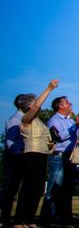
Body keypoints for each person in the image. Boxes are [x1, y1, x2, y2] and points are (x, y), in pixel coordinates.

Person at [12, 81, 58, 228]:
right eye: (35, 102)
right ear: (30, 106)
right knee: (28, 187)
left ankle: (30, 218)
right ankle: (19, 220)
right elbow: (38, 105)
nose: (38, 104)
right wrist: (49, 88)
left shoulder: (39, 121)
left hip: (42, 154)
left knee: (38, 188)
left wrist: (50, 145)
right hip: (31, 154)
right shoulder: (26, 119)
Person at [41, 95, 79, 227]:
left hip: (70, 157)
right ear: (60, 106)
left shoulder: (70, 120)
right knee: (55, 187)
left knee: (67, 189)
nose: (70, 104)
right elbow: (58, 136)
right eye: (67, 103)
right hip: (59, 156)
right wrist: (75, 126)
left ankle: (65, 216)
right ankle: (48, 217)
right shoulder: (54, 120)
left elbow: (77, 137)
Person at [1, 94, 29, 228]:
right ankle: (4, 218)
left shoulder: (25, 119)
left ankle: (14, 218)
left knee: (16, 188)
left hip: (21, 157)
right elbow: (10, 140)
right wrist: (19, 154)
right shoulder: (15, 120)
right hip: (14, 158)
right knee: (9, 189)